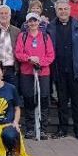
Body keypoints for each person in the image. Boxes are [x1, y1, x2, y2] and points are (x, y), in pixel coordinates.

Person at [15, 12, 55, 140]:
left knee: (43, 98)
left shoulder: (45, 37)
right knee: (29, 99)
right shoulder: (23, 36)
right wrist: (29, 59)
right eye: (30, 21)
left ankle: (42, 128)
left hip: (43, 73)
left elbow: (50, 55)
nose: (33, 23)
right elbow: (18, 53)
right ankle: (30, 128)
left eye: (35, 21)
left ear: (39, 22)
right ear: (27, 23)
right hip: (27, 72)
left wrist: (40, 62)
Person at [51, 1, 78, 140]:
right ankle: (62, 128)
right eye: (60, 9)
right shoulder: (51, 27)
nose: (63, 11)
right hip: (59, 68)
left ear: (70, 10)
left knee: (76, 101)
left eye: (66, 9)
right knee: (62, 101)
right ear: (56, 10)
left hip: (74, 69)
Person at [0, 5, 20, 88]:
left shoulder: (17, 31)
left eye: (6, 13)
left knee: (12, 95)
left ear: (10, 16)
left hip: (11, 69)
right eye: (1, 13)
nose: (4, 15)